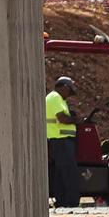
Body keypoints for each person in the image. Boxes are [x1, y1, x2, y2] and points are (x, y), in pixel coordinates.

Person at [46, 76, 80, 209]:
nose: (69, 95)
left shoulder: (56, 98)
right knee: (68, 172)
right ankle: (70, 202)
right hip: (61, 140)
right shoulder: (55, 98)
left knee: (61, 172)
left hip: (60, 141)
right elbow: (62, 119)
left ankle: (62, 201)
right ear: (64, 87)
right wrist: (77, 120)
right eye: (69, 91)